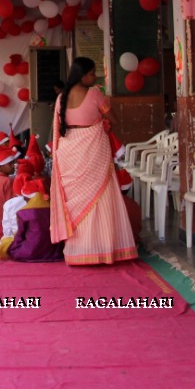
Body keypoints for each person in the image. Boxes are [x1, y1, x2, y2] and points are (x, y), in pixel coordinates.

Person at [50, 56, 138, 266]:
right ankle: (104, 249)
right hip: (94, 151)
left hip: (68, 153)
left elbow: (56, 132)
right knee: (102, 198)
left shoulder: (61, 98)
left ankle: (79, 251)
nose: (95, 76)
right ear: (82, 75)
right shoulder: (96, 95)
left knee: (76, 204)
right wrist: (100, 122)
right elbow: (114, 120)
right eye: (92, 73)